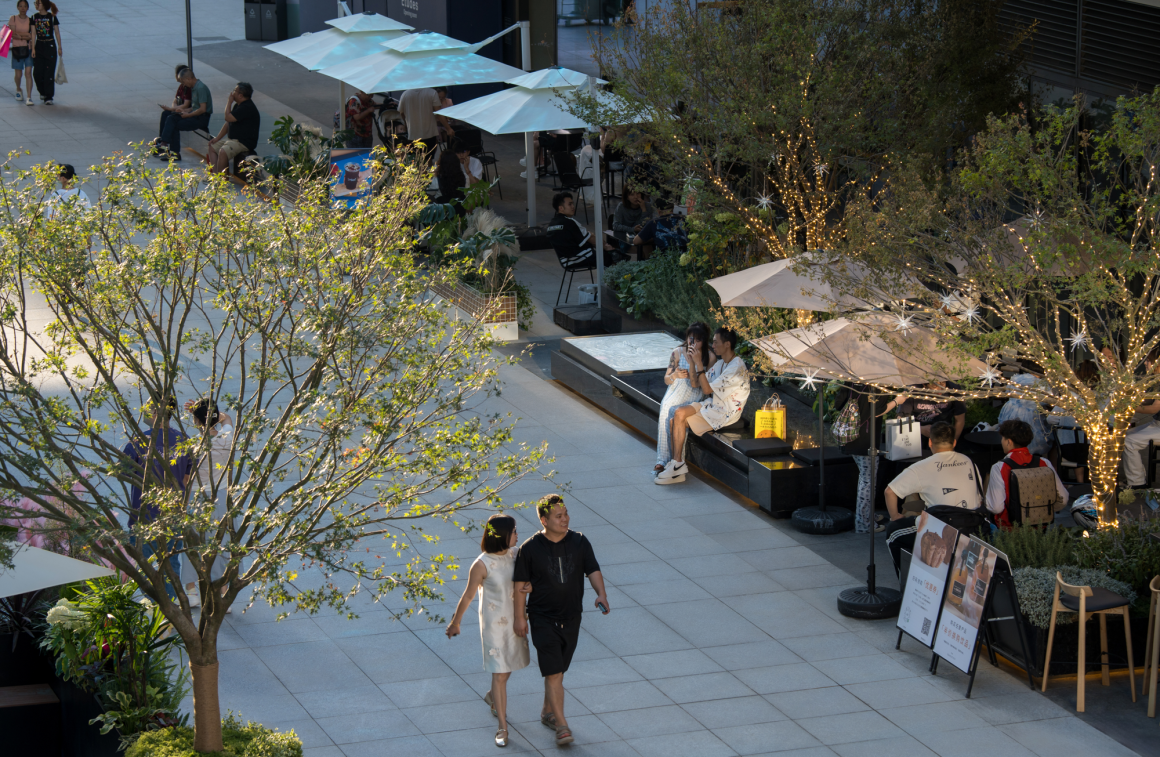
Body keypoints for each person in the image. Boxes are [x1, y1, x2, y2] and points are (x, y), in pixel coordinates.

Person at [512, 495, 608, 748]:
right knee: (554, 672)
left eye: (565, 514)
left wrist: (601, 594)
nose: (565, 519)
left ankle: (547, 711)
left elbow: (592, 569)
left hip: (572, 616)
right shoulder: (530, 548)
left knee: (558, 670)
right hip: (542, 618)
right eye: (558, 516)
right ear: (544, 520)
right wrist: (520, 617)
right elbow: (520, 585)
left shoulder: (579, 541)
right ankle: (562, 726)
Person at [445, 514, 530, 749]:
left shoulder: (516, 554)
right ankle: (502, 726)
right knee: (499, 673)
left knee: (507, 668)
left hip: (515, 621)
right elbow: (468, 595)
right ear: (502, 535)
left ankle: (493, 695)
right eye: (514, 531)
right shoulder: (481, 564)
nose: (517, 535)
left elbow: (527, 581)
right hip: (494, 627)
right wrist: (456, 622)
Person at [657, 327, 750, 484]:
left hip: (723, 413)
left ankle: (677, 466)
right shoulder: (721, 363)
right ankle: (676, 465)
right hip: (712, 404)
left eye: (716, 342)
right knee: (677, 415)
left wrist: (699, 363)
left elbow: (706, 389)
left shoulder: (736, 368)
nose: (713, 346)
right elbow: (696, 383)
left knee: (677, 418)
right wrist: (692, 362)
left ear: (727, 344)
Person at [123, 396, 194, 601]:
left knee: (142, 566)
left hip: (143, 516)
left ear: (155, 412)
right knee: (171, 564)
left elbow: (124, 472)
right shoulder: (184, 440)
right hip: (173, 515)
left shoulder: (138, 441)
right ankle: (169, 611)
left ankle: (148, 609)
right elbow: (188, 480)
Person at [182, 397, 233, 611]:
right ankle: (223, 591)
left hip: (196, 496)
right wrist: (213, 415)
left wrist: (198, 414)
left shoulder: (192, 445)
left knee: (192, 544)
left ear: (196, 420)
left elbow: (186, 478)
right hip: (220, 495)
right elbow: (227, 420)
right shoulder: (226, 439)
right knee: (221, 543)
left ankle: (192, 591)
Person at [833, 385, 898, 533]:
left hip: (849, 436)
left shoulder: (851, 380)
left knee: (866, 479)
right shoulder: (879, 384)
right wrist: (897, 401)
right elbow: (877, 411)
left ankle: (867, 515)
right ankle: (863, 523)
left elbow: (838, 404)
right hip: (866, 440)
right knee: (868, 481)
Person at [985, 419, 1069, 529]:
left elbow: (996, 508)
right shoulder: (1044, 463)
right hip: (1040, 526)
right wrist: (1044, 510)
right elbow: (1063, 498)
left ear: (1009, 442)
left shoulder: (999, 467)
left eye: (1002, 438)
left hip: (1009, 529)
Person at [654, 322, 714, 475]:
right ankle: (662, 460)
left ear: (704, 341)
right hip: (676, 389)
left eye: (698, 340)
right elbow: (666, 379)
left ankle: (676, 460)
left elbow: (696, 384)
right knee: (666, 407)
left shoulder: (709, 357)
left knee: (677, 413)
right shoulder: (677, 352)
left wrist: (694, 361)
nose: (693, 343)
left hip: (695, 394)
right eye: (691, 339)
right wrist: (674, 375)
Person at [545, 191, 620, 268]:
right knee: (614, 255)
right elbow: (592, 238)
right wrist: (606, 246)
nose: (573, 207)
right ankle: (618, 274)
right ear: (561, 208)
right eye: (570, 204)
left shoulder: (551, 225)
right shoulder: (570, 222)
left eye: (573, 204)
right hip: (581, 258)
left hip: (565, 262)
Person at [156, 68, 212, 161]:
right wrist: (185, 111)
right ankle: (166, 145)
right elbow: (194, 107)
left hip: (201, 119)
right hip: (195, 115)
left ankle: (168, 148)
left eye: (183, 82)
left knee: (174, 123)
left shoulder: (200, 88)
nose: (184, 85)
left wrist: (188, 115)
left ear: (188, 79)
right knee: (171, 118)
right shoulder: (195, 87)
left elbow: (203, 109)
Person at [206, 82, 260, 175]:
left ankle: (222, 181)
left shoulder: (246, 107)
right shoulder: (238, 105)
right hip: (233, 139)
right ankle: (215, 176)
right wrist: (217, 138)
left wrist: (229, 102)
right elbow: (228, 123)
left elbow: (227, 117)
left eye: (235, 90)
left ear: (240, 95)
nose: (232, 92)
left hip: (243, 142)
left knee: (223, 152)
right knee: (212, 147)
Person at [997, 374, 1052, 456]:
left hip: (1012, 410)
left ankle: (1013, 455)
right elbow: (1046, 400)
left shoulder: (1015, 379)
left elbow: (1008, 392)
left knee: (1012, 433)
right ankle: (1029, 458)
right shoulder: (1039, 383)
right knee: (1032, 436)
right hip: (1031, 413)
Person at [892, 383, 967, 440]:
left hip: (944, 435)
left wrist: (953, 442)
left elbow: (960, 420)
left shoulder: (953, 389)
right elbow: (901, 420)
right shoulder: (913, 389)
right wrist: (920, 429)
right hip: (916, 436)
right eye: (934, 386)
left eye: (942, 384)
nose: (940, 389)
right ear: (924, 385)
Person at [398, 86, 451, 158]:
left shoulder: (405, 94)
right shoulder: (432, 93)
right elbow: (438, 113)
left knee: (416, 159)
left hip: (413, 134)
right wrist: (448, 128)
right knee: (428, 159)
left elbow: (402, 112)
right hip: (429, 134)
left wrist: (406, 124)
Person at [29, 0, 60, 105]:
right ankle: (42, 92)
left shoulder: (52, 17)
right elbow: (33, 33)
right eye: (36, 3)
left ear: (44, 5)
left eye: (39, 3)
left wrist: (59, 47)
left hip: (50, 45)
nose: (37, 5)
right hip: (39, 45)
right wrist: (33, 48)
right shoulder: (34, 17)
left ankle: (49, 96)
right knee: (37, 73)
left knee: (49, 73)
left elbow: (57, 32)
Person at [9, 0, 34, 106]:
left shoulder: (31, 20)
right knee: (18, 75)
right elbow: (12, 34)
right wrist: (25, 35)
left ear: (28, 8)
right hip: (17, 49)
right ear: (18, 7)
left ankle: (29, 97)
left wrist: (20, 36)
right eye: (21, 6)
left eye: (25, 6)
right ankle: (18, 89)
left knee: (28, 73)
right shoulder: (13, 18)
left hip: (28, 48)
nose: (23, 8)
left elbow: (31, 35)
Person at [157, 65, 192, 141]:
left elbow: (186, 105)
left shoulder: (188, 88)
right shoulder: (181, 87)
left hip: (185, 112)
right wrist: (173, 109)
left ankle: (164, 141)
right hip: (178, 110)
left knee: (171, 119)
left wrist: (171, 109)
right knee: (165, 113)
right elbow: (175, 101)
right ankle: (161, 139)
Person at [613, 187, 652, 254]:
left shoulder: (647, 206)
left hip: (642, 237)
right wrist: (632, 229)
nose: (636, 197)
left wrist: (644, 210)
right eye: (632, 194)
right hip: (626, 238)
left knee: (651, 249)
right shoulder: (621, 207)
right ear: (627, 197)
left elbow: (646, 226)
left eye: (638, 193)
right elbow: (615, 226)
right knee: (643, 252)